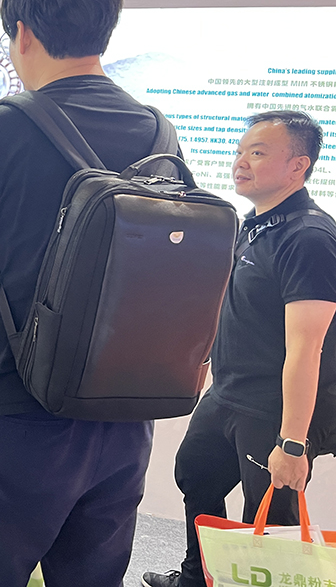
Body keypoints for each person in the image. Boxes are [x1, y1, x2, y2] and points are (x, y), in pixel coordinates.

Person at [0, 0, 175, 586]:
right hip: (122, 415)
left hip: (13, 406)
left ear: (24, 33)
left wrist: (8, 327)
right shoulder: (157, 131)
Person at [143, 111, 336, 587]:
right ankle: (197, 578)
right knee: (196, 476)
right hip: (228, 393)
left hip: (273, 409)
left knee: (270, 518)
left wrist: (292, 442)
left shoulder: (310, 238)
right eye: (240, 151)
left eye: (258, 153)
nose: (240, 162)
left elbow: (307, 348)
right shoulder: (254, 224)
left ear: (298, 166)